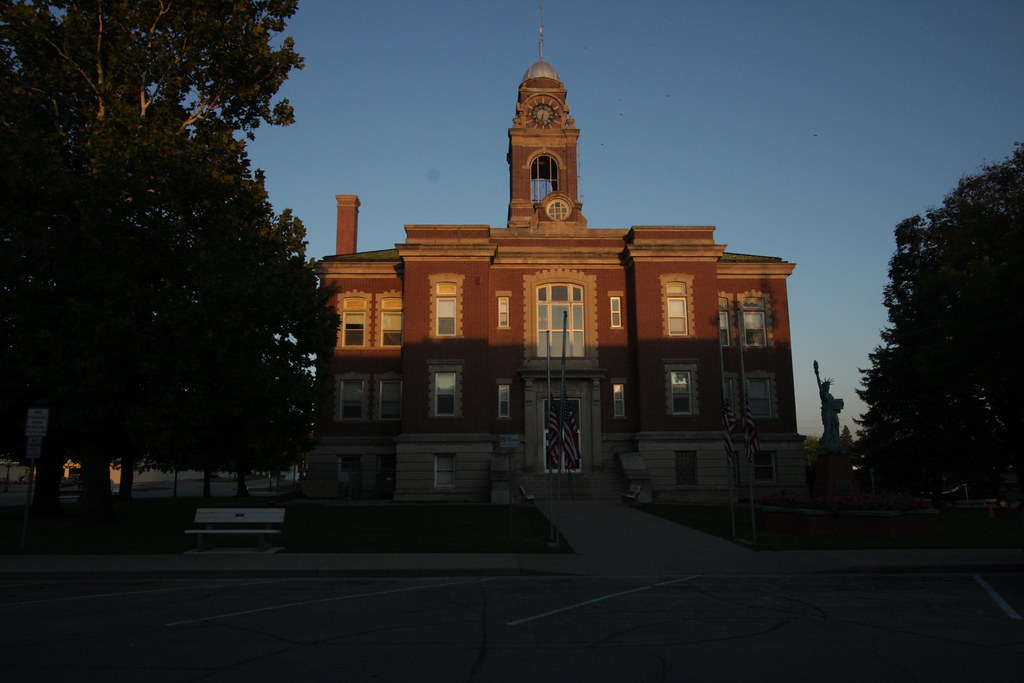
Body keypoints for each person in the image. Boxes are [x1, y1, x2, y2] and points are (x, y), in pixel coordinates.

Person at [814, 360, 845, 452]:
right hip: (826, 411)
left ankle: (836, 442)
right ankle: (825, 443)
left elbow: (835, 404)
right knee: (827, 427)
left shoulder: (831, 396)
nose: (828, 387)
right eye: (826, 386)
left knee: (836, 425)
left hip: (832, 411)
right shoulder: (823, 393)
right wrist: (817, 373)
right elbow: (819, 384)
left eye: (829, 386)